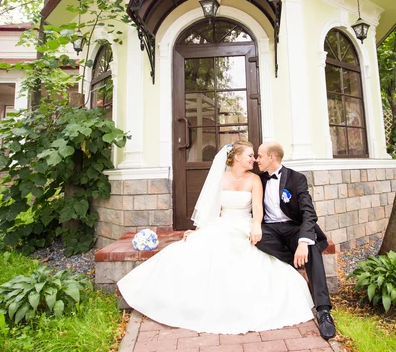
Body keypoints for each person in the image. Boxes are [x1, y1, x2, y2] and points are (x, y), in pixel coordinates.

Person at [117, 141, 314, 334]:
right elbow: (212, 210)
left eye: (255, 156)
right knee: (195, 247)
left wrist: (256, 227)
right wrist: (199, 229)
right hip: (224, 223)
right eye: (250, 155)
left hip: (245, 225)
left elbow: (258, 209)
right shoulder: (221, 179)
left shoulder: (254, 180)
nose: (254, 160)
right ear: (237, 157)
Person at [255, 141, 336, 340]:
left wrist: (303, 242)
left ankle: (323, 310)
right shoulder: (258, 179)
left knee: (312, 248)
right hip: (270, 228)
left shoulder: (296, 178)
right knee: (256, 239)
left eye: (260, 156)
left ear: (271, 157)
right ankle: (293, 262)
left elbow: (309, 212)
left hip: (293, 228)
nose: (257, 160)